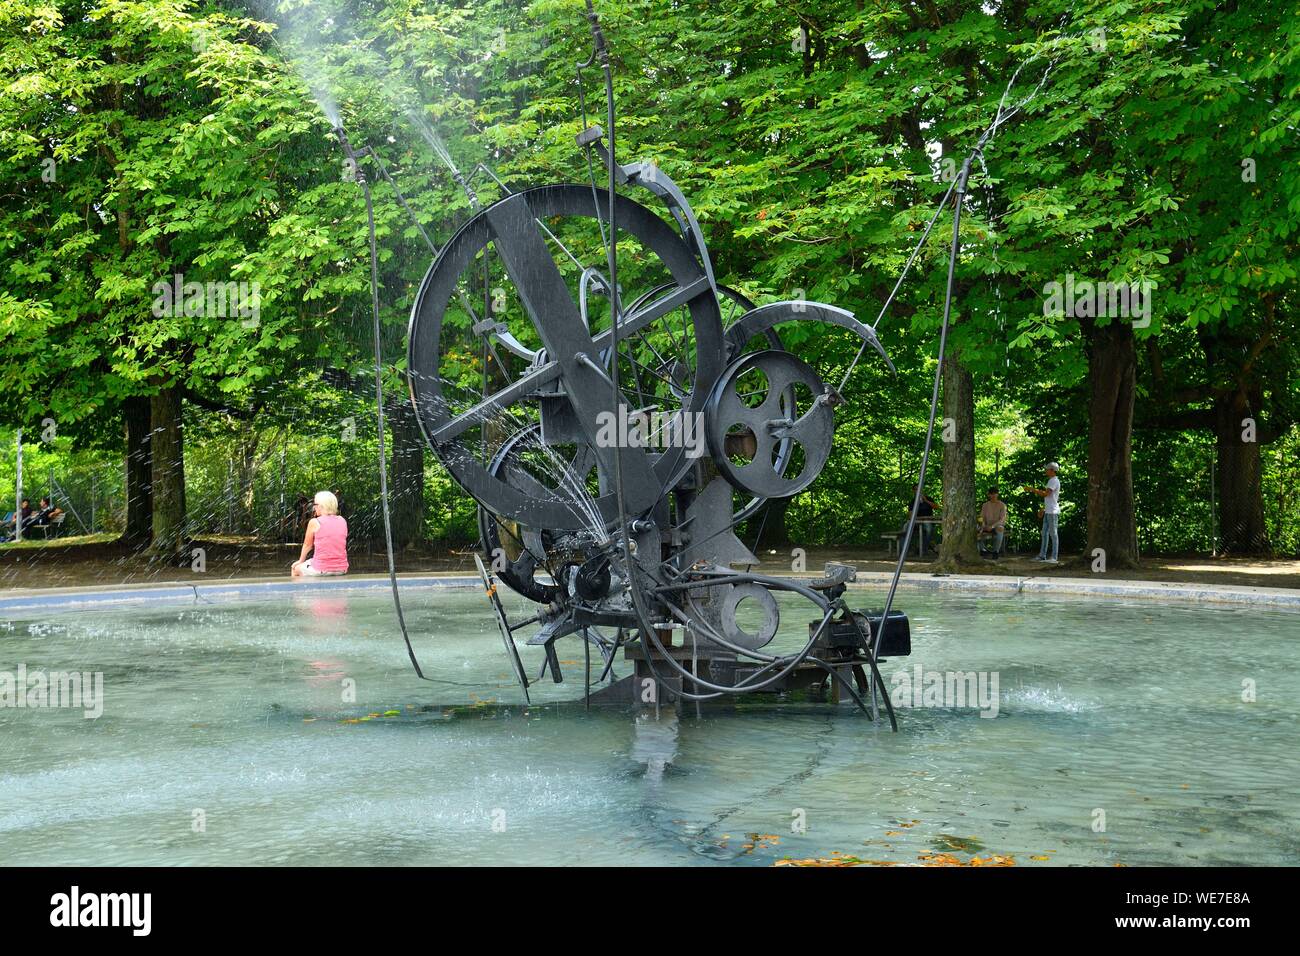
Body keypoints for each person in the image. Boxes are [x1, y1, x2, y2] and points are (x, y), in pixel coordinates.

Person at [291, 490, 349, 577]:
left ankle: (300, 590)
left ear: (321, 506)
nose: (314, 508)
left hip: (321, 569)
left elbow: (307, 545)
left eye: (315, 505)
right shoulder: (342, 520)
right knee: (311, 561)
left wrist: (300, 561)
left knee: (295, 569)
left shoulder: (314, 522)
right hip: (342, 569)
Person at [1024, 462, 1061, 562]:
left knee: (1053, 534)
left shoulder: (1053, 481)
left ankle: (1054, 557)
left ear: (1052, 470)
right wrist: (1043, 509)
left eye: (1047, 469)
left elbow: (1046, 494)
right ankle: (1042, 555)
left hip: (1052, 512)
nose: (1045, 471)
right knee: (1044, 533)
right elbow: (1050, 498)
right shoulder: (1051, 480)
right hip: (1048, 511)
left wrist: (1032, 489)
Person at [903, 485, 939, 554]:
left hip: (927, 521)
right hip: (916, 522)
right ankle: (904, 550)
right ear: (914, 491)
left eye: (919, 489)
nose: (918, 491)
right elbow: (910, 515)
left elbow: (936, 507)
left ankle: (923, 549)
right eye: (916, 490)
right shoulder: (913, 502)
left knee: (929, 529)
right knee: (905, 526)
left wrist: (926, 500)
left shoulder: (929, 499)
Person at [979, 487, 1007, 558]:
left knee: (1000, 529)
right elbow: (981, 517)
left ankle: (995, 551)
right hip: (987, 525)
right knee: (976, 529)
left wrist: (992, 526)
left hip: (997, 525)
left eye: (995, 493)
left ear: (997, 494)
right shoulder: (985, 505)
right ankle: (982, 550)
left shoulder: (1002, 505)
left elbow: (1002, 519)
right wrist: (983, 525)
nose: (994, 495)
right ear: (989, 495)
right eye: (992, 494)